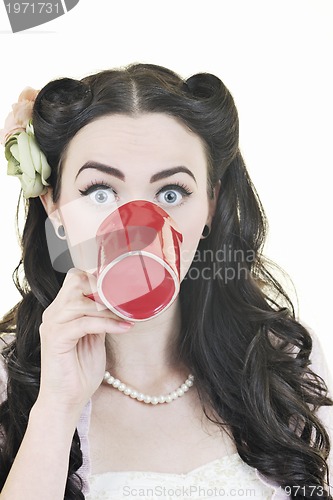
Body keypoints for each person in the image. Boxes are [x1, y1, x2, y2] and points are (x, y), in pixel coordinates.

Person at [0, 63, 332, 500]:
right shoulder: (9, 378)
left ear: (210, 207)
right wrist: (56, 407)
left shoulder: (281, 359)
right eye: (100, 192)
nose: (138, 226)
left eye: (171, 193)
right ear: (55, 207)